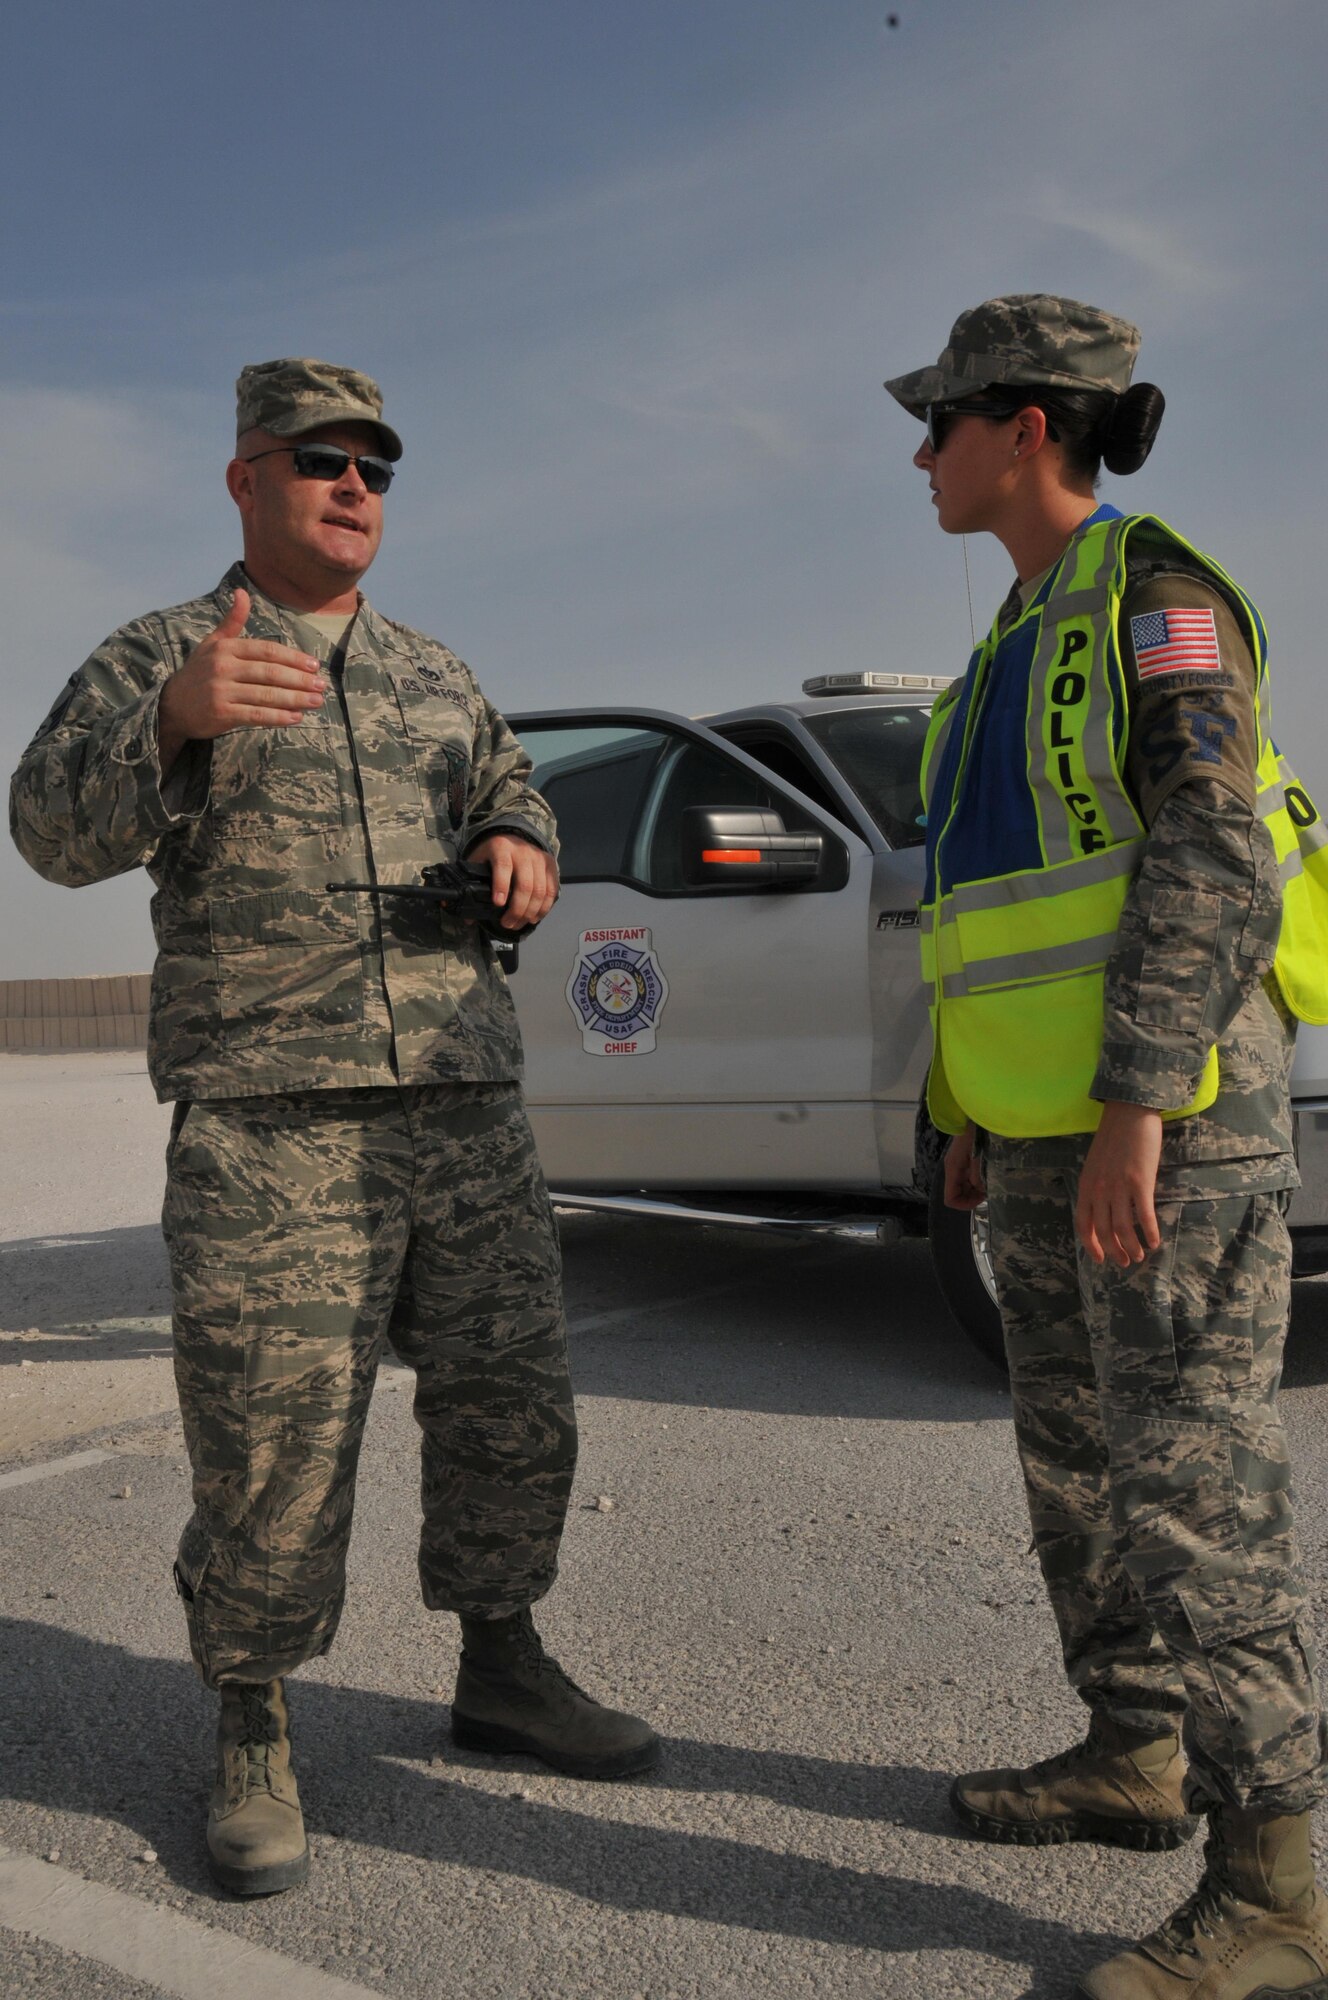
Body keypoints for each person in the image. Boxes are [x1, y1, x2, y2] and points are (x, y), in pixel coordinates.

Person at [9, 357, 659, 1898]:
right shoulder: (169, 649)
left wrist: (518, 837)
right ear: (246, 480)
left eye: (376, 463)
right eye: (320, 460)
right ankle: (252, 1717)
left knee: (511, 1407)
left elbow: (520, 788)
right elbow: (42, 828)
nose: (354, 485)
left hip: (460, 1103)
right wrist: (169, 722)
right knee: (273, 1443)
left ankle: (502, 1662)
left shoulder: (436, 672)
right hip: (272, 1119)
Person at [885, 296, 1328, 1998]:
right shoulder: (1009, 637)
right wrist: (962, 1114)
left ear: (1026, 427)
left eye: (942, 423)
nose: (921, 454)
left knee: (1201, 1498)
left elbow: (1216, 854)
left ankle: (1276, 1891)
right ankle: (1135, 1748)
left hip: (1174, 1124)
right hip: (1042, 1135)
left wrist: (1142, 1102)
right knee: (1083, 1473)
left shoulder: (1156, 598)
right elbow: (990, 913)